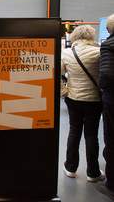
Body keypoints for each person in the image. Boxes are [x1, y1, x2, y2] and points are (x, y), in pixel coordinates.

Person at [61, 25, 104, 182]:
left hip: (73, 98)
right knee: (92, 135)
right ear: (91, 36)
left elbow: (56, 74)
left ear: (74, 36)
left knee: (74, 131)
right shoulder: (98, 52)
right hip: (94, 99)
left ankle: (71, 167)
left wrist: (64, 91)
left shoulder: (66, 53)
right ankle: (93, 172)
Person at [97, 14, 114, 199]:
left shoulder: (108, 45)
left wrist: (101, 90)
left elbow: (107, 75)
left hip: (112, 98)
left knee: (111, 139)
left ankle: (111, 183)